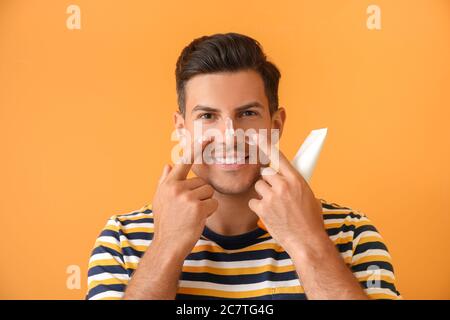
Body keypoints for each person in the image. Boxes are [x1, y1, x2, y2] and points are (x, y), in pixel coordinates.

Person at [86, 33, 401, 300]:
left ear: (275, 124)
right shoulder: (122, 240)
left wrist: (306, 239)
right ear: (182, 129)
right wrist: (167, 244)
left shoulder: (351, 233)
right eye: (207, 116)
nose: (230, 135)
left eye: (248, 113)